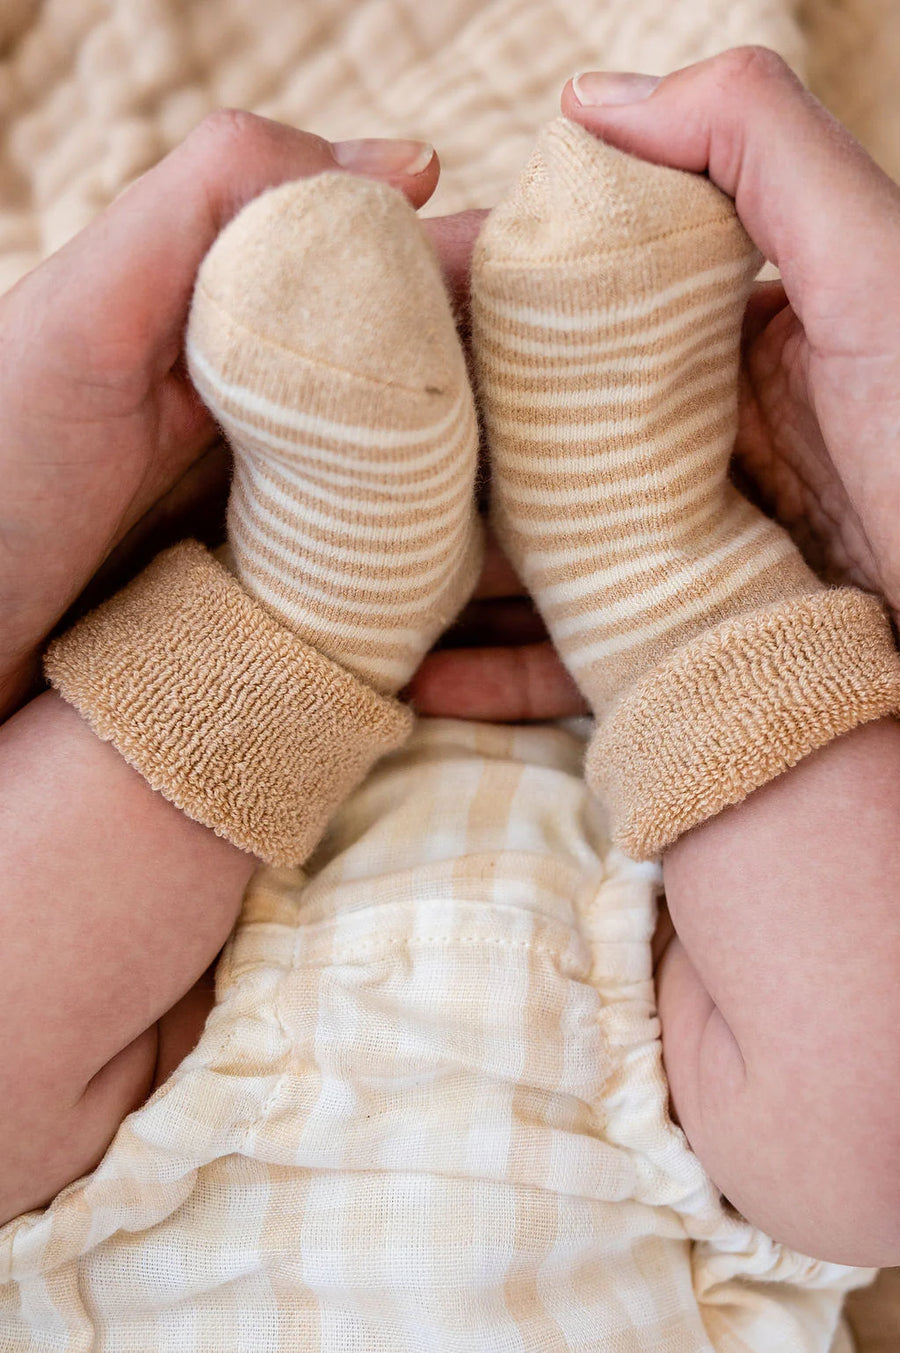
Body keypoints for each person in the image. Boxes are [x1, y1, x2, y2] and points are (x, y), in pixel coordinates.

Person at [0, 46, 899, 1349]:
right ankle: (655, 564)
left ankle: (308, 595)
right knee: (873, 1132)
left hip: (126, 1158)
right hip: (673, 1127)